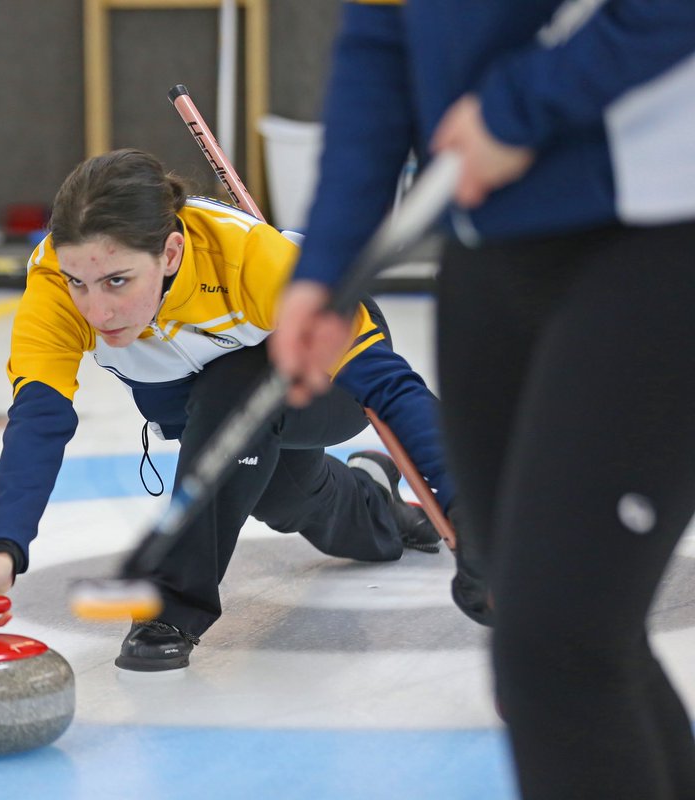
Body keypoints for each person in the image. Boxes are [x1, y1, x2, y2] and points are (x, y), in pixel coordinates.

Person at [268, 2, 695, 797]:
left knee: (558, 643)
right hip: (491, 254)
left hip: (656, 234)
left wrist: (520, 105)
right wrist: (327, 262)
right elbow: (381, 39)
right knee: (559, 627)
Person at [0, 147, 465, 673]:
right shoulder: (54, 287)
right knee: (285, 498)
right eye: (78, 282)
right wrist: (2, 550)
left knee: (234, 386)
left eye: (118, 281)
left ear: (171, 253)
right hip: (212, 411)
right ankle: (376, 500)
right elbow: (39, 420)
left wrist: (469, 512)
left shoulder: (252, 260)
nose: (96, 310)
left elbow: (390, 387)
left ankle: (173, 606)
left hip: (322, 379)